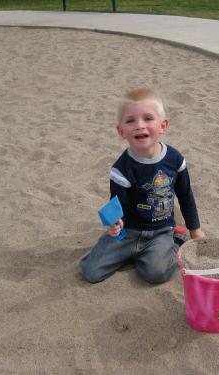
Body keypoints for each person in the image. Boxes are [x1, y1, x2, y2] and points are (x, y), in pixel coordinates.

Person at [80, 88, 205, 284]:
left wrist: (195, 229)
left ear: (163, 125)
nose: (140, 125)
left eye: (148, 118)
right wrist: (115, 224)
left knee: (156, 273)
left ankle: (176, 241)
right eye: (130, 121)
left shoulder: (175, 160)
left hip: (161, 231)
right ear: (121, 131)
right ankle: (133, 254)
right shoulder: (121, 169)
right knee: (91, 272)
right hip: (129, 232)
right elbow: (118, 205)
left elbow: (186, 195)